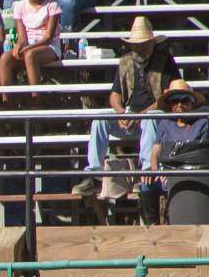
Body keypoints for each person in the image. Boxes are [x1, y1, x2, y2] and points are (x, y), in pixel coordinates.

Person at [73, 15, 180, 206]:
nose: (138, 48)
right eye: (136, 44)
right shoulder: (125, 61)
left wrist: (141, 115)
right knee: (100, 118)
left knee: (151, 118)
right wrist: (122, 112)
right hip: (130, 113)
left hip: (154, 115)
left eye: (142, 44)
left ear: (151, 43)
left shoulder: (165, 61)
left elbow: (167, 96)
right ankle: (94, 173)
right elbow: (114, 95)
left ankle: (146, 171)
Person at [145, 78, 209, 224]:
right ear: (169, 105)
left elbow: (201, 155)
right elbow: (154, 153)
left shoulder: (202, 123)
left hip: (193, 173)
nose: (179, 104)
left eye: (185, 100)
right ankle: (151, 228)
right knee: (145, 183)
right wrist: (156, 172)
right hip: (166, 173)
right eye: (175, 100)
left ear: (192, 103)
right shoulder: (165, 124)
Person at [0, 0, 60, 95]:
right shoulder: (19, 6)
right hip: (29, 46)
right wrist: (19, 45)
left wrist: (27, 48)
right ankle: (7, 102)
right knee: (5, 58)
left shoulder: (52, 4)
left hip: (49, 47)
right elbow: (22, 36)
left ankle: (37, 101)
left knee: (30, 55)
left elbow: (49, 37)